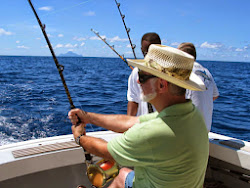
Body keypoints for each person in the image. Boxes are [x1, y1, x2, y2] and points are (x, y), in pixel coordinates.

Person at [69, 44, 209, 188]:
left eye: (142, 76)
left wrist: (80, 137)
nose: (137, 81)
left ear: (161, 85)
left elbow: (107, 151)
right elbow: (130, 122)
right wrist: (88, 117)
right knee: (122, 174)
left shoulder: (154, 132)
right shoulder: (191, 113)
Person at [178, 42, 219, 132]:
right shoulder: (207, 72)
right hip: (204, 130)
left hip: (188, 131)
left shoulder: (183, 72)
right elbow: (215, 95)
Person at [127, 32, 161, 116]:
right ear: (141, 49)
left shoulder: (170, 72)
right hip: (144, 124)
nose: (148, 55)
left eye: (152, 51)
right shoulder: (136, 72)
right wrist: (128, 125)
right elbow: (133, 100)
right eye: (146, 51)